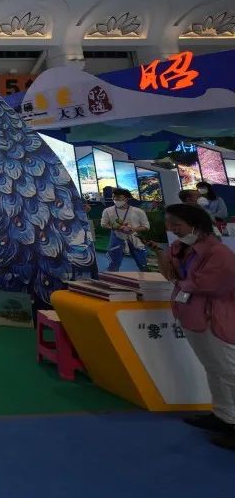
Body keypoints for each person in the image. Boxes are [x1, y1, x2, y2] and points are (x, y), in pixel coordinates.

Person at [156, 203, 235, 451]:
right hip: (192, 316)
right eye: (169, 223)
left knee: (229, 371)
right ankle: (223, 415)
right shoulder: (181, 248)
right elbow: (173, 275)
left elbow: (211, 284)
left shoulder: (218, 252)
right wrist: (163, 257)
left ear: (196, 225)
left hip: (215, 318)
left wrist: (182, 282)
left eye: (176, 224)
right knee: (214, 368)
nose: (172, 229)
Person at [101, 188, 150, 272]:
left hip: (135, 238)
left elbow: (146, 226)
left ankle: (147, 278)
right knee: (113, 265)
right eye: (114, 197)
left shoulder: (138, 211)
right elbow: (104, 224)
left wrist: (133, 229)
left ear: (126, 199)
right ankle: (113, 278)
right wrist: (117, 227)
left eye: (119, 197)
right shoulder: (107, 211)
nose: (116, 199)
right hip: (116, 238)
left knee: (143, 264)